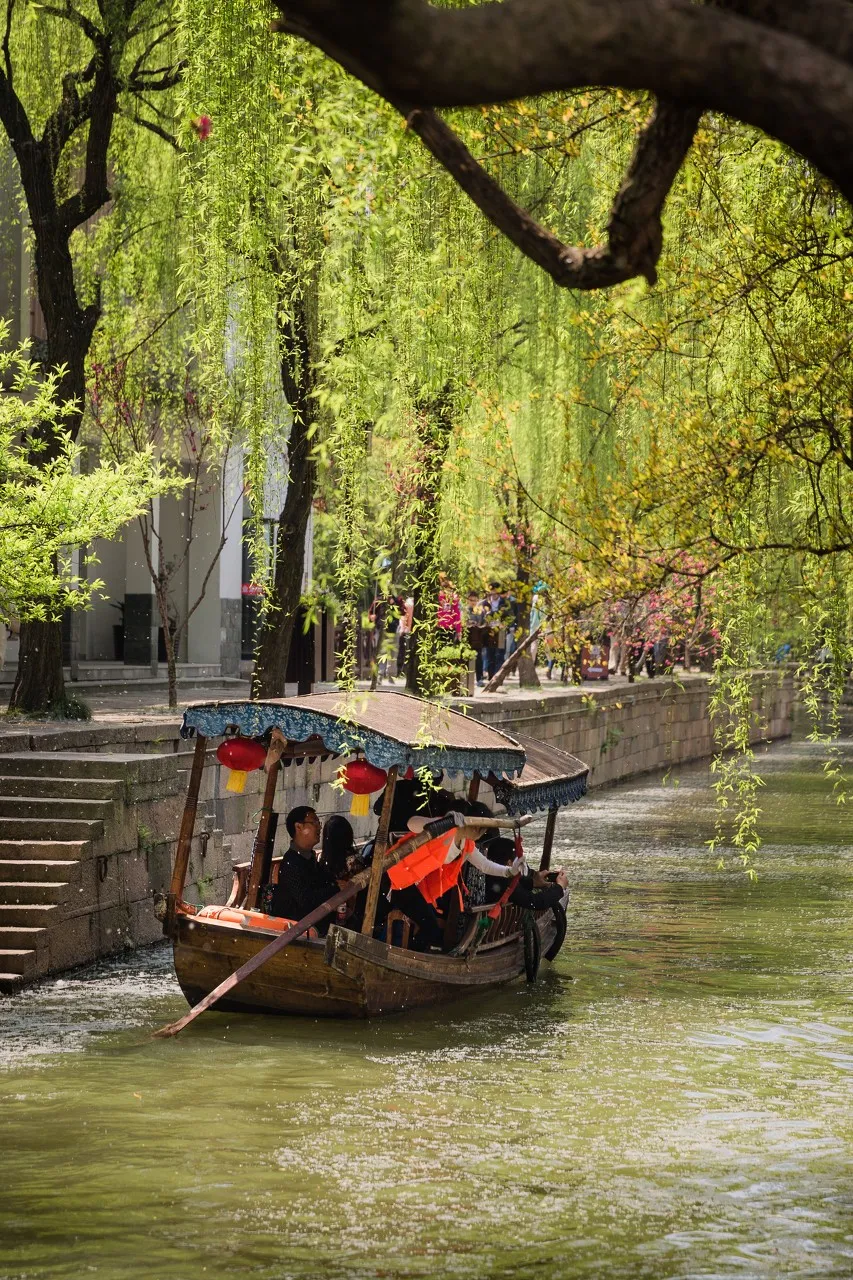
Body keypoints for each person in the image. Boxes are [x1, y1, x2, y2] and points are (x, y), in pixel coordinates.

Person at [265, 806, 339, 934]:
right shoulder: (291, 862)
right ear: (299, 827)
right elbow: (305, 900)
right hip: (299, 932)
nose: (319, 827)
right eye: (314, 823)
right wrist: (335, 889)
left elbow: (325, 881)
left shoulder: (309, 857)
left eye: (318, 823)